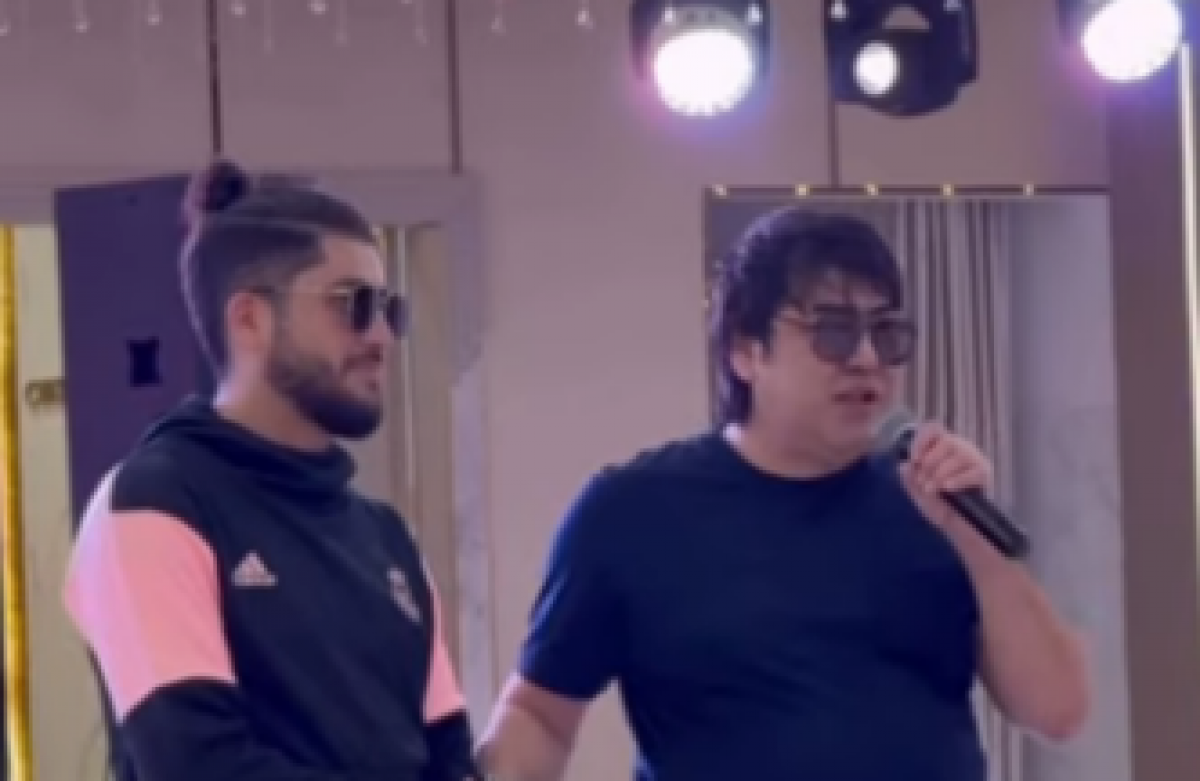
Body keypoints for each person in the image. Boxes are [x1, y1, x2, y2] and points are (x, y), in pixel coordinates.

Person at [478, 207, 1090, 781]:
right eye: (833, 332)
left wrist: (977, 543)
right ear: (745, 352)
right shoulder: (633, 514)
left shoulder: (934, 504)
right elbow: (540, 715)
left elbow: (1057, 710)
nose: (867, 359)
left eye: (886, 333)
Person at [64, 160, 480, 781]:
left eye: (389, 310)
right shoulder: (155, 503)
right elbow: (199, 768)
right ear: (250, 319)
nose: (381, 337)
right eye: (353, 305)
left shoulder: (385, 536)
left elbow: (450, 758)